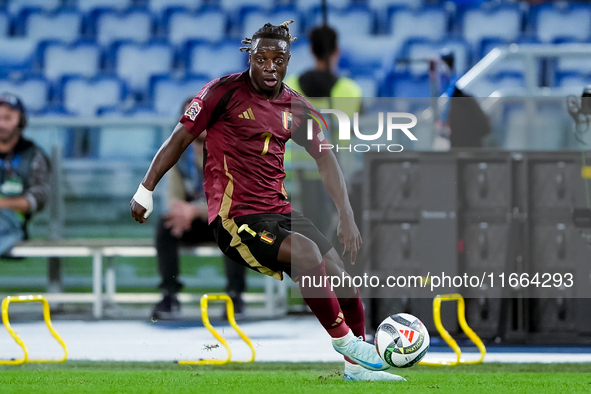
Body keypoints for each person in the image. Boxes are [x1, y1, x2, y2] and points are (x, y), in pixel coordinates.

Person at [131, 21, 404, 382]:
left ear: (289, 60)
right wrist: (145, 188)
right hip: (235, 218)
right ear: (250, 57)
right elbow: (180, 138)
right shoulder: (222, 92)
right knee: (306, 253)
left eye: (279, 59)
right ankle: (348, 345)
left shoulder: (296, 105)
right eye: (262, 58)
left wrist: (346, 215)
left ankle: (356, 370)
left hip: (280, 211)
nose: (270, 66)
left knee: (342, 279)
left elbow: (326, 158)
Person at [152, 98, 247, 321]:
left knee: (231, 226)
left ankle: (235, 295)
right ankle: (169, 294)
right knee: (165, 226)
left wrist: (193, 211)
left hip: (222, 219)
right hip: (193, 222)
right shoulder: (178, 156)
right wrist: (180, 211)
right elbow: (172, 196)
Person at [0, 92, 50, 256]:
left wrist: (3, 204)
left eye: (8, 118)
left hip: (14, 223)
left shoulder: (33, 155)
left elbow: (38, 199)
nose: (1, 124)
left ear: (20, 121)